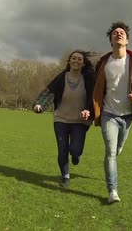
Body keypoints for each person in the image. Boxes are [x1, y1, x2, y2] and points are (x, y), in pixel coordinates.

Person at [92, 21, 132, 204]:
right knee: (110, 152)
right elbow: (95, 87)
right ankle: (112, 191)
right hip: (108, 113)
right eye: (115, 33)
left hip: (127, 115)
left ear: (127, 40)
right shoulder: (103, 63)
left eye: (122, 33)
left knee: (118, 149)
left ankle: (116, 154)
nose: (118, 34)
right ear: (111, 40)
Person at [33, 50, 95, 188]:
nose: (76, 61)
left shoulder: (89, 79)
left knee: (75, 150)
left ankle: (76, 155)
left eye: (79, 59)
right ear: (69, 61)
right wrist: (40, 105)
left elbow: (94, 97)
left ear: (83, 63)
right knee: (62, 149)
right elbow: (49, 92)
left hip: (80, 121)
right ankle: (65, 177)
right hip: (61, 119)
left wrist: (89, 111)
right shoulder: (62, 77)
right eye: (73, 58)